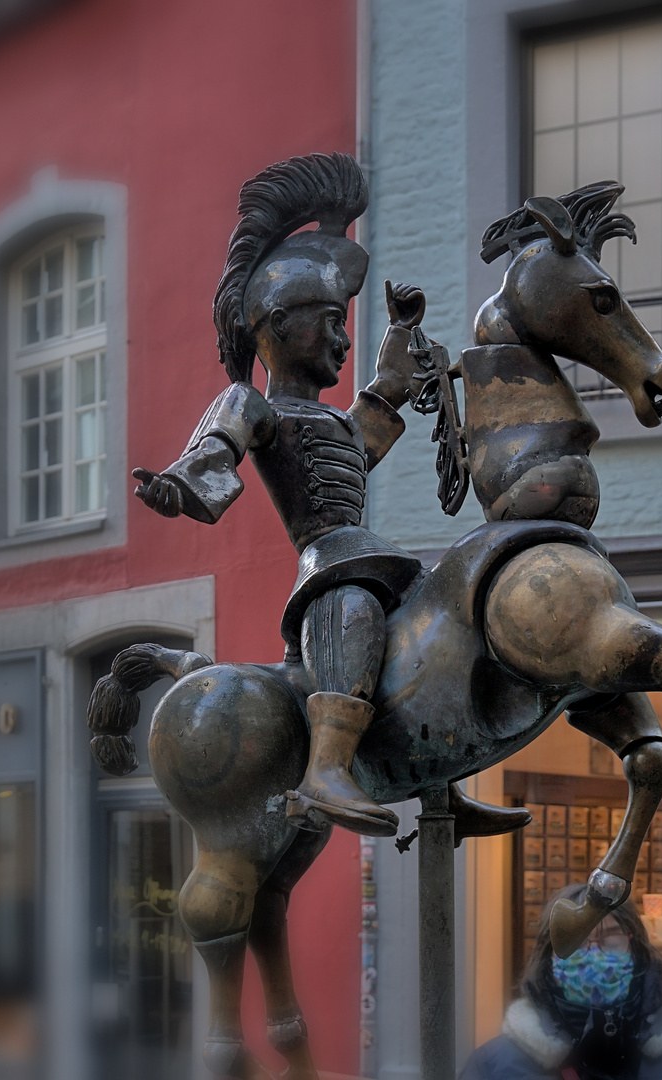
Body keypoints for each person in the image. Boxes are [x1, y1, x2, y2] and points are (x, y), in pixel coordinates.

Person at [130, 152, 525, 841]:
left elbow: (365, 433)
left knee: (436, 625)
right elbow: (215, 450)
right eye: (332, 323)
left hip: (370, 555)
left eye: (346, 324)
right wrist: (179, 486)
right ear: (280, 324)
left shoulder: (333, 422)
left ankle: (440, 780)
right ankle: (327, 766)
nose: (344, 339)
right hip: (330, 565)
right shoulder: (254, 404)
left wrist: (403, 342)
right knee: (355, 608)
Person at [461, 884, 662, 1080]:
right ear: (547, 958)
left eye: (612, 940)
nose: (594, 954)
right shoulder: (493, 1067)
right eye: (575, 944)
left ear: (637, 952)